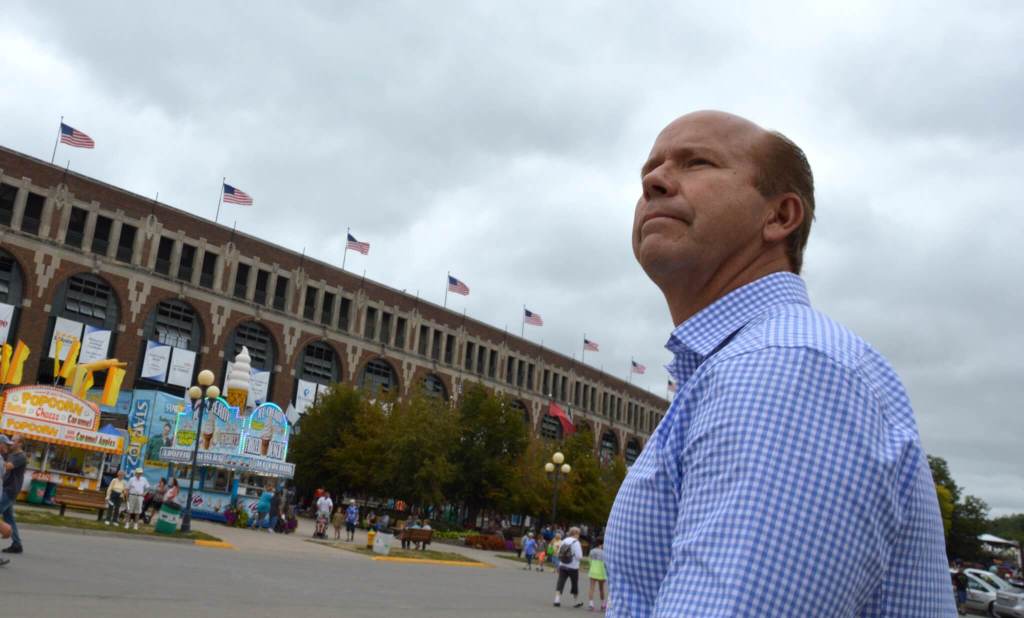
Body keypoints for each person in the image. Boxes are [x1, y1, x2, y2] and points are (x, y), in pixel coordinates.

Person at [603, 110, 954, 616]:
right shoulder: (748, 365)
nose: (654, 182)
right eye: (649, 171)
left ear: (780, 216)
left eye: (695, 162)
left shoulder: (782, 367)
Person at [0, 434, 27, 555]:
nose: (11, 442)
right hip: (6, 488)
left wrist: (1, 462)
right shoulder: (10, 454)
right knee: (9, 518)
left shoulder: (21, 456)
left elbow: (8, 466)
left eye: (14, 440)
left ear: (20, 443)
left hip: (10, 490)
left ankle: (16, 543)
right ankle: (17, 544)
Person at [553, 526, 584, 608]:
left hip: (563, 565)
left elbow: (559, 552)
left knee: (560, 582)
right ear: (576, 534)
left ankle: (557, 600)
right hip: (573, 566)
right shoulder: (576, 542)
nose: (579, 535)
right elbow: (579, 556)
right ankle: (575, 602)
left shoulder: (564, 540)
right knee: (574, 584)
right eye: (578, 534)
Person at [587, 538, 607, 612]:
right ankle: (603, 604)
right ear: (601, 544)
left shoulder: (592, 551)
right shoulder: (604, 552)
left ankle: (591, 603)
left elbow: (589, 561)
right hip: (601, 572)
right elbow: (605, 563)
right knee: (601, 589)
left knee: (592, 588)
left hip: (593, 571)